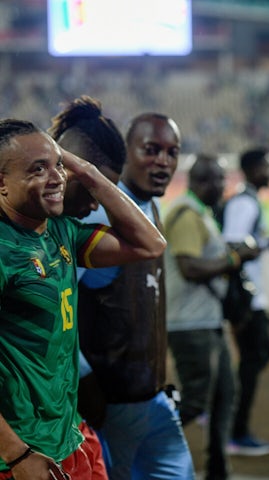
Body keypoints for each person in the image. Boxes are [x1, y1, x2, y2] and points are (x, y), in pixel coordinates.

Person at [0, 118, 165, 480]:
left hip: (71, 440)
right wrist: (16, 454)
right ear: (2, 184)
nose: (56, 177)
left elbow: (150, 244)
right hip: (23, 454)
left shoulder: (61, 231)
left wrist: (86, 171)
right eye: (37, 169)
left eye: (58, 163)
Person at [76, 112, 196, 479]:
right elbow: (56, 305)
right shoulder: (98, 217)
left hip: (152, 398)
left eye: (172, 152)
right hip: (109, 405)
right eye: (151, 150)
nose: (164, 161)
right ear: (125, 153)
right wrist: (85, 380)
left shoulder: (151, 209)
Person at [164, 153, 259, 480]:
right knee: (194, 401)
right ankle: (141, 444)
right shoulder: (186, 214)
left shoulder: (198, 213)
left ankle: (218, 469)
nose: (222, 185)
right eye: (216, 178)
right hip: (188, 323)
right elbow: (190, 268)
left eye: (222, 178)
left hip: (206, 321)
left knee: (224, 395)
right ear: (198, 181)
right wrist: (234, 259)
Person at [48, 94, 130, 477]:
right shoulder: (12, 241)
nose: (97, 204)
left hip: (61, 417)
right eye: (92, 190)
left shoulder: (67, 233)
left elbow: (148, 244)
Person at [221, 147, 269, 455]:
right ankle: (235, 430)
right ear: (254, 169)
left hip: (251, 294)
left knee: (257, 357)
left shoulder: (249, 200)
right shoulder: (244, 203)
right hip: (246, 296)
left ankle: (226, 416)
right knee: (254, 359)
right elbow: (233, 243)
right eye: (266, 166)